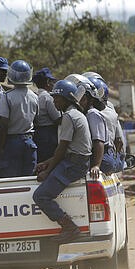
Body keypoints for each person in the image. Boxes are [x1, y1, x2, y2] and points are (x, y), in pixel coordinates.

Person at [33, 80, 91, 243]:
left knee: (40, 196)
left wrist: (48, 171)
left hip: (74, 165)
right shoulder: (77, 114)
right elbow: (67, 149)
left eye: (57, 98)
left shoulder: (68, 116)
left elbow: (62, 148)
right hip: (76, 161)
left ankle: (70, 228)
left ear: (67, 99)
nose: (54, 101)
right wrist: (47, 162)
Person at [0, 60, 38, 178]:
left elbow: (4, 124)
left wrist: (1, 147)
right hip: (30, 142)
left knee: (13, 179)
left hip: (12, 143)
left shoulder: (7, 96)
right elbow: (36, 120)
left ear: (11, 75)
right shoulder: (34, 96)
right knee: (28, 179)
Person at [32, 67, 61, 162]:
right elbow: (57, 119)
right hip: (48, 134)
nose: (53, 84)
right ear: (48, 82)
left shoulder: (36, 96)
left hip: (38, 133)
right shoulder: (48, 97)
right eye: (52, 81)